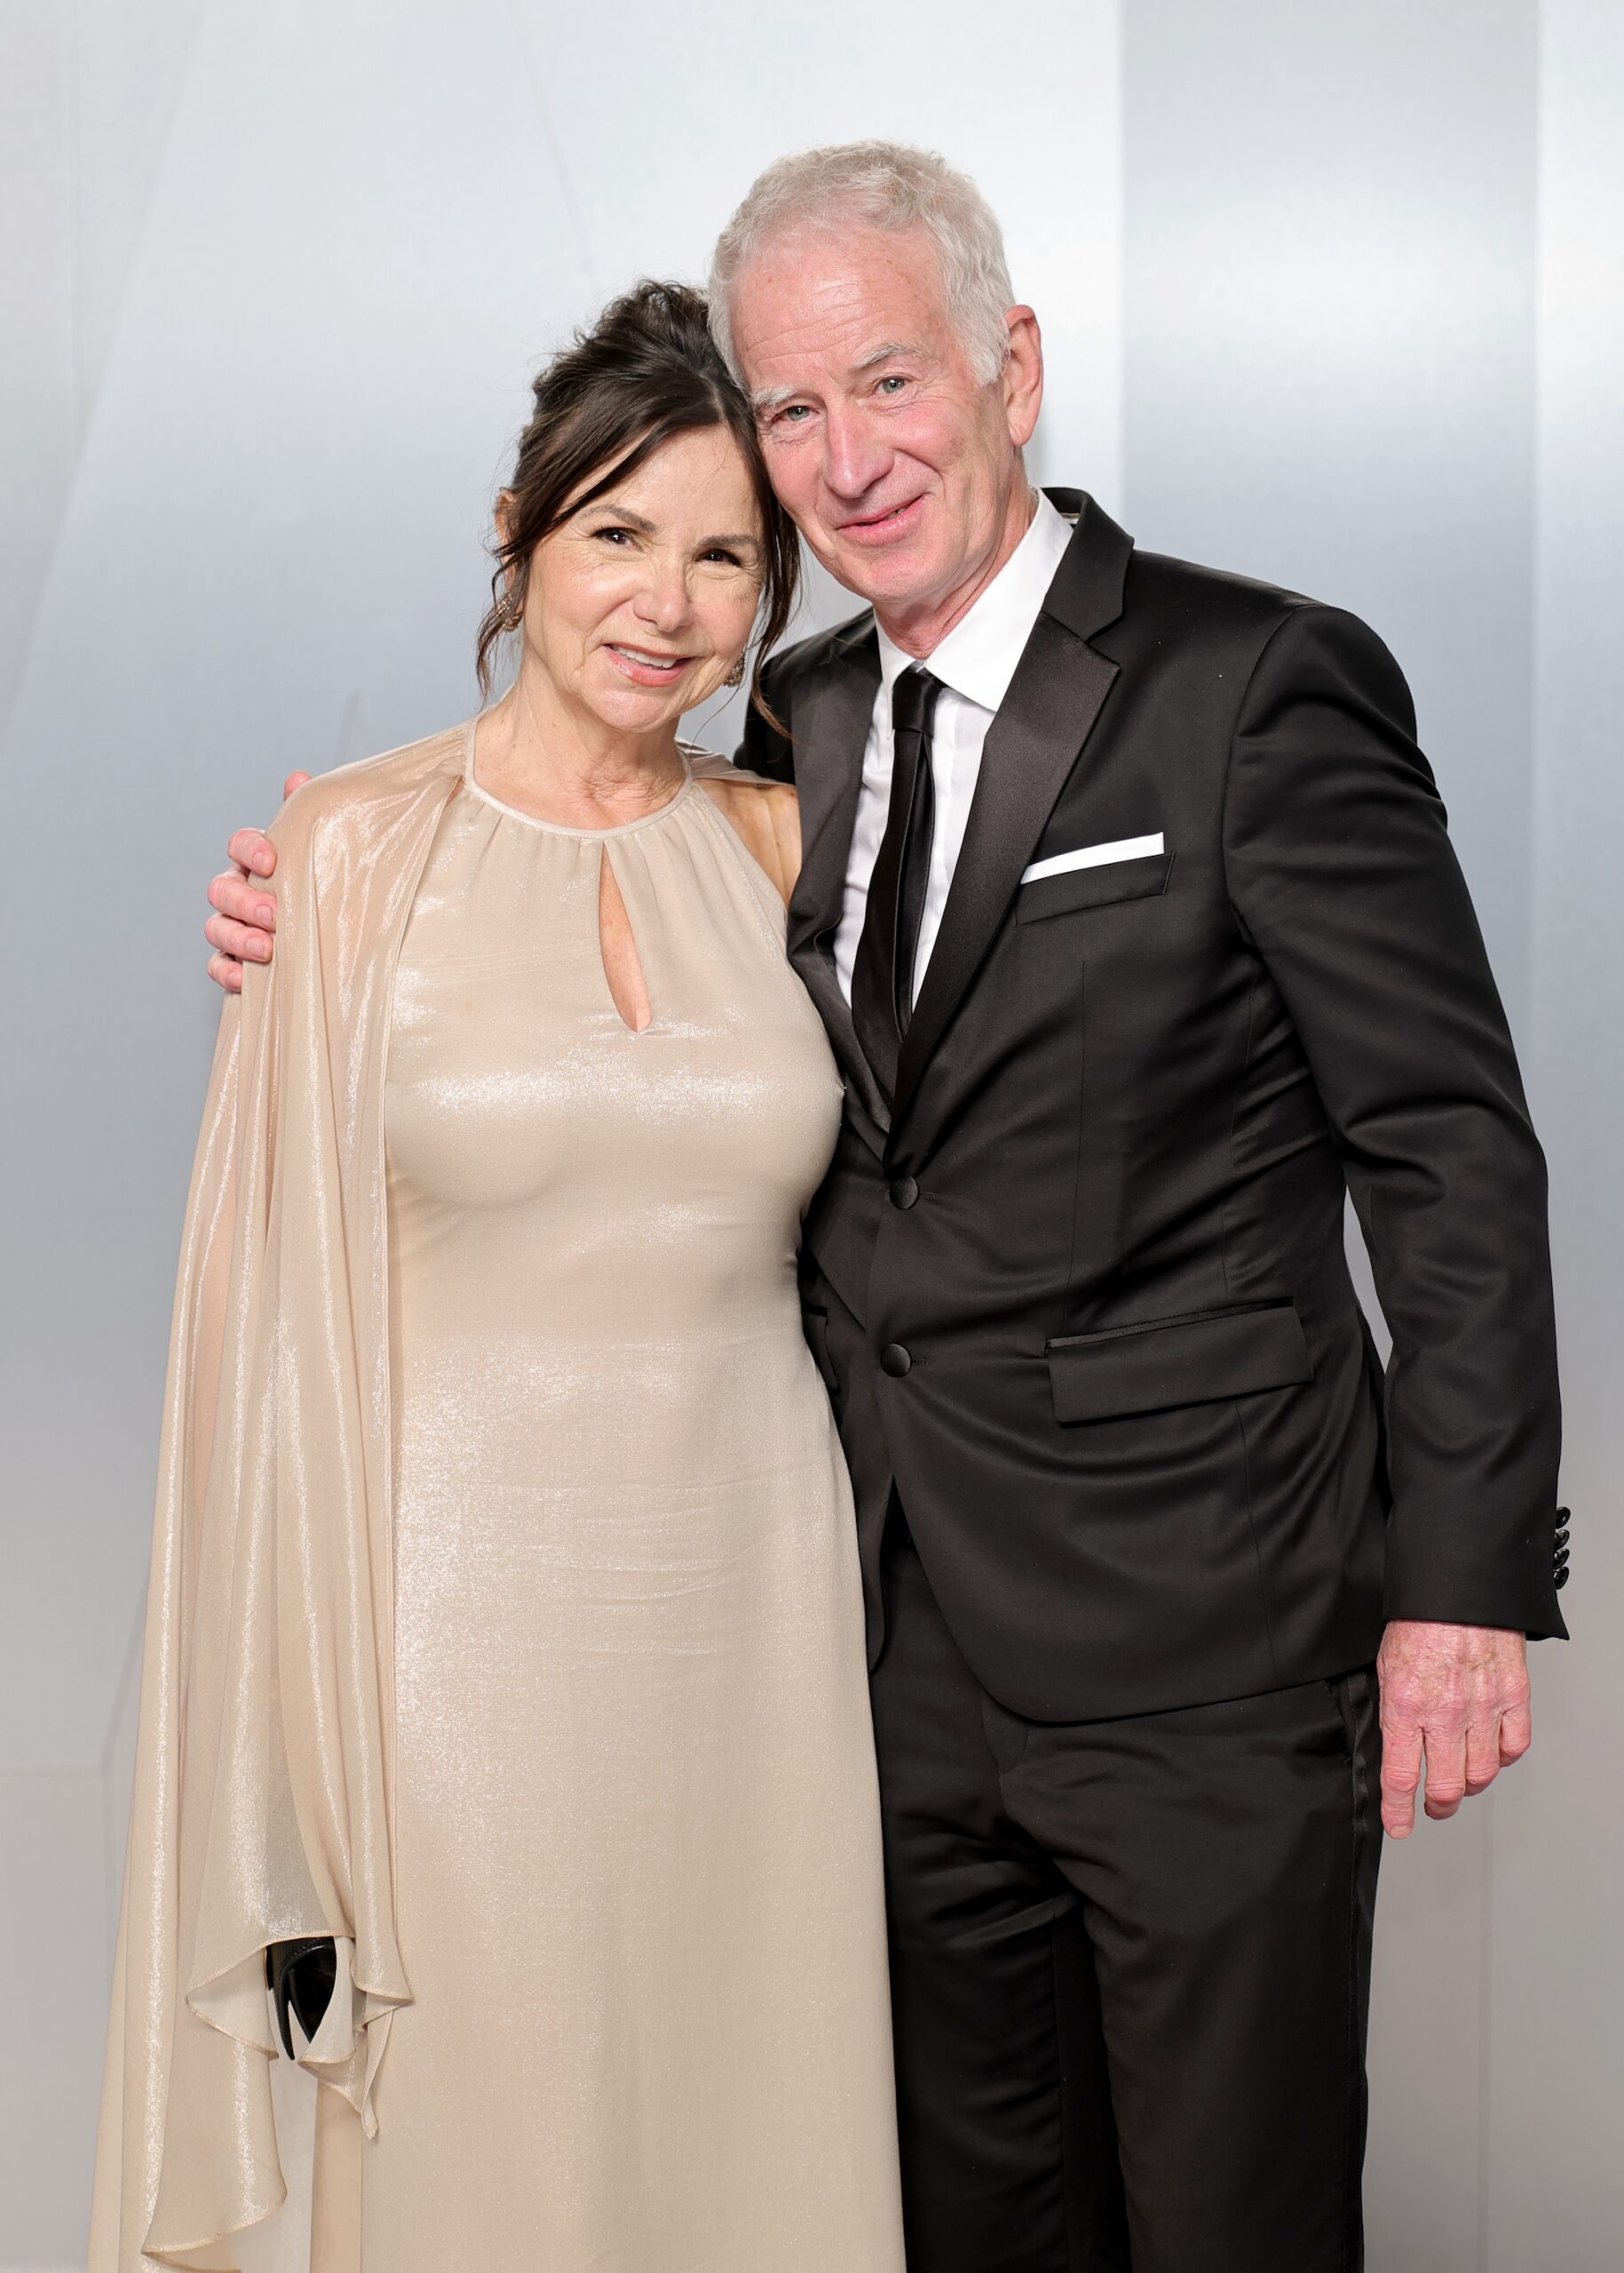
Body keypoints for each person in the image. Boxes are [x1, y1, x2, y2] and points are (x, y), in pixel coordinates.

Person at [202, 145, 1569, 2272]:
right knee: (963, 2224)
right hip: (877, 1659)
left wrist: (1460, 1583)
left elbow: (1448, 1144)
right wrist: (328, 882)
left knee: (1232, 2223)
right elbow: (603, 912)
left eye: (891, 382)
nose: (848, 460)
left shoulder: (1256, 682)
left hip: (1208, 1647)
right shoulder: (794, 726)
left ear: (1011, 367)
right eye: (793, 410)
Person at [91, 281, 907, 2273]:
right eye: (618, 531)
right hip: (440, 1649)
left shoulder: (795, 848)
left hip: (762, 1631)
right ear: (517, 529)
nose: (667, 603)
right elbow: (255, 1341)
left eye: (726, 556)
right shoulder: (344, 858)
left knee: (756, 2144)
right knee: (486, 2169)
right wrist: (279, 1769)